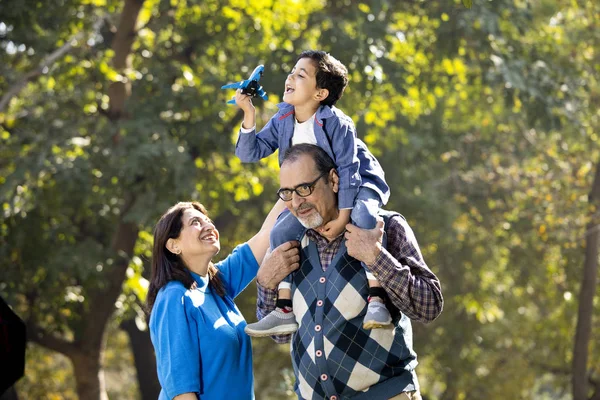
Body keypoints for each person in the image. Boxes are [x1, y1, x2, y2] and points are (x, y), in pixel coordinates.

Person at [255, 144, 444, 400]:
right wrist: (265, 283)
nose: (297, 203)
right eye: (287, 193)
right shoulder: (290, 244)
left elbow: (429, 306)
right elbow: (280, 335)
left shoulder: (384, 226)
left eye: (304, 189)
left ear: (333, 180)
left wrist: (376, 257)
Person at [235, 50, 393, 336]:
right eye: (292, 72)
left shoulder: (337, 123)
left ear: (320, 93)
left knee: (364, 216)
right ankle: (283, 310)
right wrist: (248, 113)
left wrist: (344, 216)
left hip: (358, 183)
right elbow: (250, 152)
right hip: (318, 195)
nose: (290, 77)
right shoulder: (284, 118)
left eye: (300, 74)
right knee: (279, 233)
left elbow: (349, 171)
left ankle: (377, 299)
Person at [146, 200, 299, 400]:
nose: (209, 226)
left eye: (208, 221)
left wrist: (291, 186)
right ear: (173, 245)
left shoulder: (217, 282)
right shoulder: (173, 298)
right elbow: (181, 393)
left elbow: (266, 234)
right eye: (195, 222)